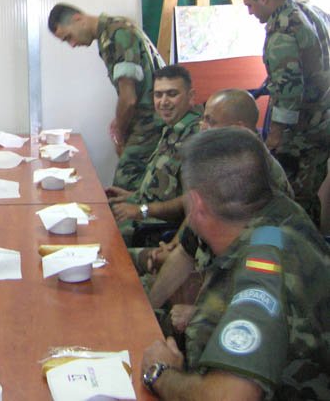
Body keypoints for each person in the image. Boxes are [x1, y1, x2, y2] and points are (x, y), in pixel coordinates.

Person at [141, 127, 329, 400]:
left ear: (196, 204)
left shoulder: (263, 265)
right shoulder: (273, 211)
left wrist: (160, 373)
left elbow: (229, 397)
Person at [145, 89, 294, 330]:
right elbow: (187, 251)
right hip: (205, 287)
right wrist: (148, 309)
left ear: (238, 129)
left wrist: (204, 313)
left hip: (244, 317)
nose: (202, 127)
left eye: (210, 122)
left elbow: (265, 285)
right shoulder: (218, 167)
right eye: (203, 119)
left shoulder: (262, 184)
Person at [240, 0, 330, 226]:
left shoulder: (282, 30)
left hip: (301, 132)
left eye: (250, 5)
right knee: (308, 192)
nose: (250, 12)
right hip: (323, 119)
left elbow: (289, 88)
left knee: (293, 200)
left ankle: (303, 248)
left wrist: (275, 135)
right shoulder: (307, 11)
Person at [49, 4, 165, 191]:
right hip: (147, 119)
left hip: (151, 122)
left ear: (78, 18)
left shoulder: (117, 34)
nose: (72, 44)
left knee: (125, 186)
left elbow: (129, 99)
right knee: (136, 187)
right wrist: (119, 120)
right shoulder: (111, 32)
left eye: (69, 37)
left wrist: (120, 130)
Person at [106, 65, 201, 240]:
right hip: (146, 214)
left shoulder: (196, 137)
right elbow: (166, 190)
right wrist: (133, 196)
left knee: (104, 236)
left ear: (190, 96)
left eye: (172, 94)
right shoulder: (171, 128)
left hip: (157, 228)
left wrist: (141, 209)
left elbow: (193, 200)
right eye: (158, 95)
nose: (163, 102)